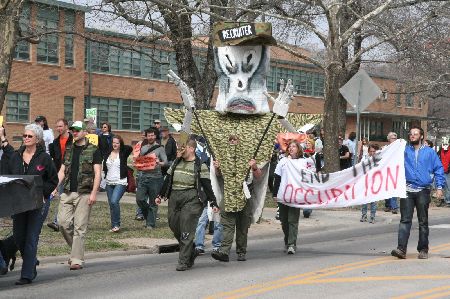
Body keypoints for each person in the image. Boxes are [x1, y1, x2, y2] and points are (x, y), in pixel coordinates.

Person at [0, 124, 58, 285]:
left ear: (37, 139)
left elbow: (53, 180)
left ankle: (27, 274)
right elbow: (6, 175)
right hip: (18, 204)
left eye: (29, 136)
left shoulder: (44, 158)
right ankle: (31, 263)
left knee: (31, 238)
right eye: (24, 136)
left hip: (37, 204)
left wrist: (43, 194)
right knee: (19, 236)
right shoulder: (16, 156)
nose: (25, 138)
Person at [156, 139, 219, 271]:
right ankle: (191, 249)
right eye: (179, 147)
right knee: (173, 224)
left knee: (186, 229)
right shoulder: (176, 162)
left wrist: (213, 201)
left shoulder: (200, 165)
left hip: (192, 199)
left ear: (191, 149)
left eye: (183, 147)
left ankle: (183, 261)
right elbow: (168, 179)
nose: (180, 150)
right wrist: (160, 195)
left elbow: (207, 185)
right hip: (175, 196)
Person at [391, 126, 445, 260]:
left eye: (416, 134)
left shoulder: (429, 152)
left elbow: (438, 168)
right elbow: (390, 160)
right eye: (411, 134)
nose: (413, 135)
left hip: (423, 190)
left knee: (423, 221)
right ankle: (401, 249)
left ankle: (423, 249)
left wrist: (439, 187)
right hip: (407, 190)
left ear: (421, 136)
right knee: (405, 220)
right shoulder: (404, 151)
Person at [56, 121, 102, 270]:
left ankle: (76, 259)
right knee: (62, 223)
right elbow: (62, 170)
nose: (74, 132)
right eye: (73, 130)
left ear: (85, 132)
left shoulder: (94, 150)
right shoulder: (68, 149)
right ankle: (76, 251)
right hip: (67, 192)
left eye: (77, 130)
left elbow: (97, 174)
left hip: (84, 193)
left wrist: (94, 194)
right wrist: (54, 187)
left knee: (79, 227)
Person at [273, 140, 315, 254]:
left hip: (296, 195)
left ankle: (292, 244)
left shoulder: (303, 162)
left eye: (294, 146)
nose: (291, 148)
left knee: (293, 220)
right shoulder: (283, 161)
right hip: (283, 195)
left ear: (298, 149)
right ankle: (287, 240)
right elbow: (277, 178)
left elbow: (311, 174)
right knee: (284, 220)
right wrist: (275, 194)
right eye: (289, 146)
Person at [135, 127, 167, 229]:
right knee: (139, 199)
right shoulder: (143, 148)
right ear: (146, 136)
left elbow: (166, 162)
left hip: (156, 178)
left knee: (153, 202)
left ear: (155, 136)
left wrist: (159, 162)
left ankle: (150, 224)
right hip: (143, 176)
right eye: (149, 135)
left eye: (152, 135)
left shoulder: (160, 148)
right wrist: (136, 162)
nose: (150, 137)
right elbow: (140, 161)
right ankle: (149, 215)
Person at [47, 119, 73, 232]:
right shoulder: (55, 142)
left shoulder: (74, 139)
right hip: (61, 172)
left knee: (73, 197)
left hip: (73, 172)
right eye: (57, 126)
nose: (59, 129)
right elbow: (55, 159)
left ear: (66, 126)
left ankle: (69, 221)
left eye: (61, 126)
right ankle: (57, 222)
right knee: (63, 196)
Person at [104, 135, 132, 232]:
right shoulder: (108, 152)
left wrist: (122, 146)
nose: (115, 144)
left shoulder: (123, 152)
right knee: (111, 204)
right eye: (113, 142)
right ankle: (113, 226)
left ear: (120, 144)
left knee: (114, 201)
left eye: (117, 143)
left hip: (120, 181)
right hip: (109, 181)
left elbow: (130, 148)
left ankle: (117, 224)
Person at [360, 144, 380, 224]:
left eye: (374, 151)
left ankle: (372, 216)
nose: (372, 153)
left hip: (374, 182)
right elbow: (360, 167)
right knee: (364, 200)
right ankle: (364, 215)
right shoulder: (364, 158)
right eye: (371, 151)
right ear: (368, 152)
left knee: (373, 200)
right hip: (366, 181)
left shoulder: (379, 159)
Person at [384, 132, 399, 213]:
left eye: (395, 138)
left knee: (393, 189)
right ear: (389, 139)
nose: (394, 140)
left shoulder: (398, 148)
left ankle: (394, 207)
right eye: (392, 138)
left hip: (395, 171)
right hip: (387, 171)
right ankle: (388, 205)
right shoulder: (385, 148)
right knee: (387, 189)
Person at [437, 137, 450, 207]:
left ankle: (448, 201)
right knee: (440, 186)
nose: (445, 145)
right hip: (441, 171)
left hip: (448, 172)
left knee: (448, 187)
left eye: (446, 144)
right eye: (444, 144)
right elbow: (436, 159)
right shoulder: (440, 151)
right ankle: (441, 199)